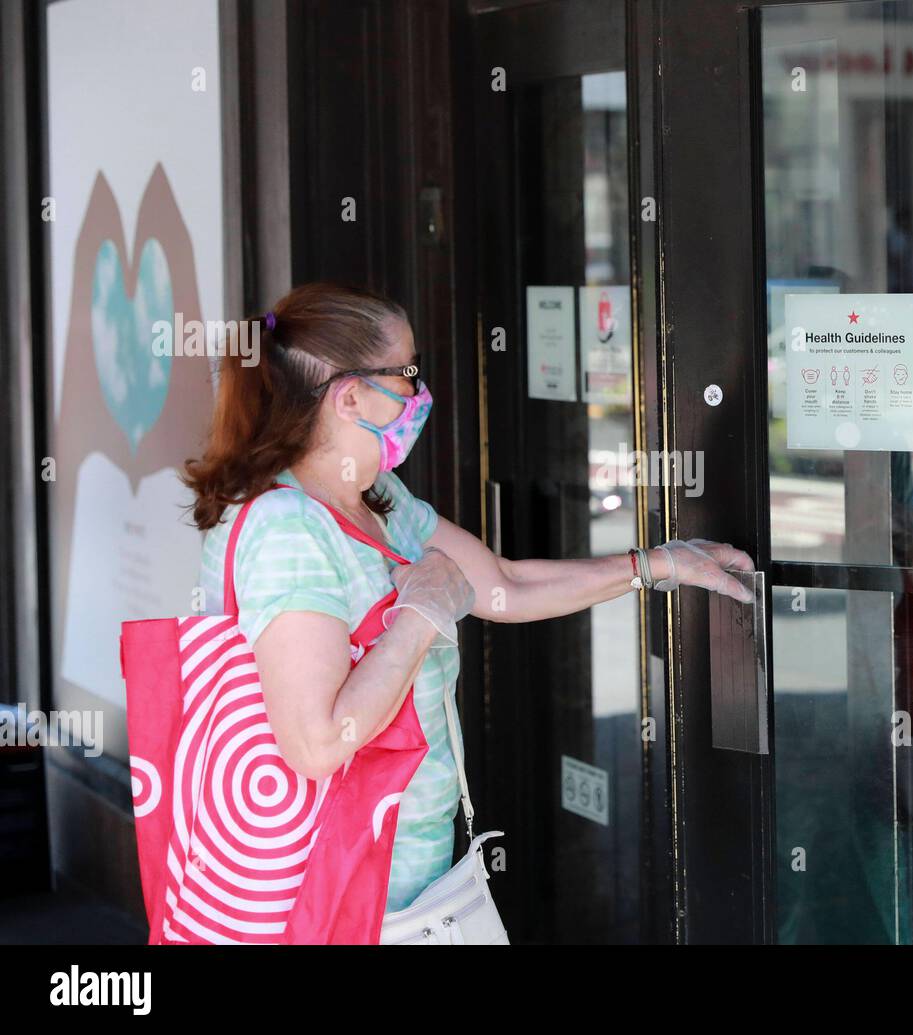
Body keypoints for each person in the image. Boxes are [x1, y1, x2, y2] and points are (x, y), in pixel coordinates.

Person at [182, 282, 754, 915]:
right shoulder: (287, 526)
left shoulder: (378, 499)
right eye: (407, 374)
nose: (420, 393)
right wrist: (420, 614)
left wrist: (655, 565)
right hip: (336, 897)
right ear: (349, 396)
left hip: (409, 885)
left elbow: (504, 586)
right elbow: (317, 742)